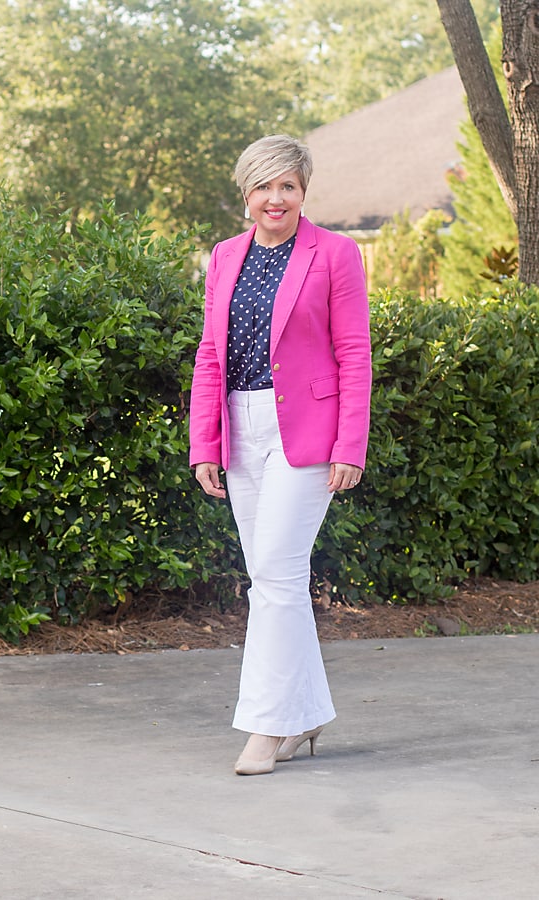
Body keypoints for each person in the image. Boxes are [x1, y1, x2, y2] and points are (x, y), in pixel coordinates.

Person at [189, 134, 371, 775]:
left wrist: (351, 444)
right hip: (240, 427)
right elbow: (211, 354)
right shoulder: (224, 257)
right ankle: (308, 713)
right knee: (274, 578)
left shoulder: (336, 253)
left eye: (287, 186)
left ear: (303, 193)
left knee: (274, 574)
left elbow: (353, 353)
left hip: (307, 432)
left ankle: (267, 727)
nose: (276, 198)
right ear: (247, 194)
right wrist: (204, 441)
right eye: (264, 186)